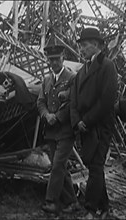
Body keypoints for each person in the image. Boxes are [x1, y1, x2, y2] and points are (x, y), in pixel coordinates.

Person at [70, 27, 118, 219]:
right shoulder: (82, 70)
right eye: (80, 46)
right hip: (85, 126)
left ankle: (91, 209)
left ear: (96, 45)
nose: (81, 49)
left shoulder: (107, 66)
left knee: (96, 166)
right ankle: (104, 207)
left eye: (84, 45)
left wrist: (86, 120)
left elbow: (107, 100)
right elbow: (73, 99)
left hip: (99, 126)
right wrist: (76, 121)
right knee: (93, 165)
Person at [37, 35, 79, 214]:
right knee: (60, 166)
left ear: (63, 58)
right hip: (51, 130)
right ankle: (72, 202)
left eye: (56, 59)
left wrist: (58, 116)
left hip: (66, 130)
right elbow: (40, 101)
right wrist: (46, 115)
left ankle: (51, 202)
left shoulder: (72, 78)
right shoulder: (46, 80)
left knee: (57, 165)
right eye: (50, 60)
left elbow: (74, 102)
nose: (53, 63)